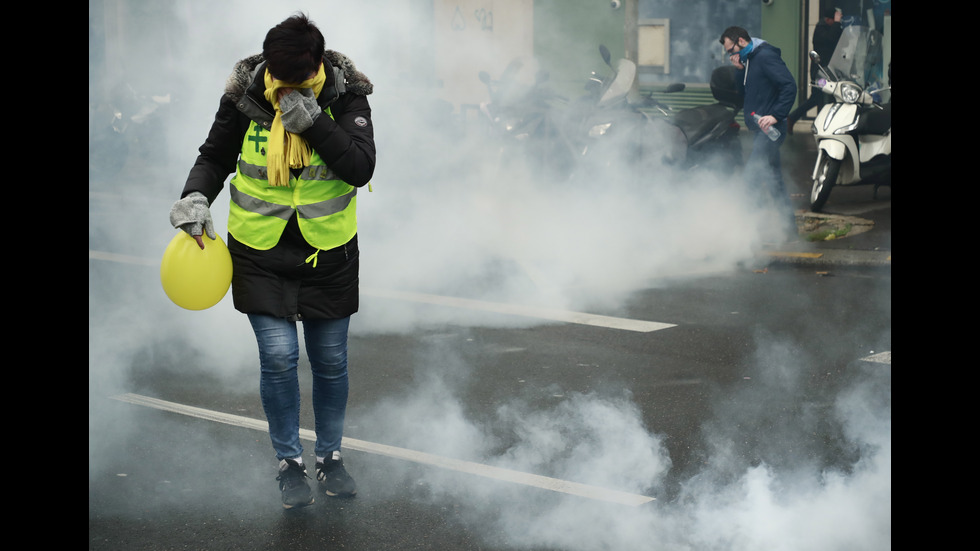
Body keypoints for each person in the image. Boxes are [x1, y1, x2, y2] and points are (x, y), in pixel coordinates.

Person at [168, 13, 376, 509]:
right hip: (259, 249)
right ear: (266, 65)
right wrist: (195, 197)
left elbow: (359, 166)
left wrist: (317, 123)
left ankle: (330, 457)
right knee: (279, 358)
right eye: (277, 78)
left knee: (329, 361)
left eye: (296, 80)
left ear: (317, 64)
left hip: (328, 251)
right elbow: (214, 156)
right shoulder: (246, 96)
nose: (284, 88)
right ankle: (289, 462)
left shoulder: (346, 96)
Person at [719, 26, 797, 237]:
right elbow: (745, 91)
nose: (730, 55)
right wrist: (739, 70)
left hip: (771, 129)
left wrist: (776, 115)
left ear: (741, 42)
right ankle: (790, 231)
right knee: (774, 180)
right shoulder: (750, 60)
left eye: (730, 50)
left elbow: (789, 86)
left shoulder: (765, 57)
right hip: (759, 128)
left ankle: (745, 234)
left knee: (751, 177)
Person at [787, 8, 844, 132]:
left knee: (833, 96)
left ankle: (793, 118)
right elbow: (830, 39)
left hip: (832, 71)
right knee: (818, 96)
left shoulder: (833, 28)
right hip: (820, 73)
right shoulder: (821, 29)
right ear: (828, 20)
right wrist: (837, 23)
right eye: (834, 20)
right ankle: (792, 118)